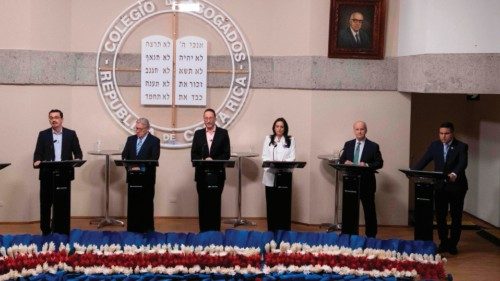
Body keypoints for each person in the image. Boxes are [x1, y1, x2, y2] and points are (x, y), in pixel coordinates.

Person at [412, 122, 468, 255]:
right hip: (440, 187)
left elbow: (463, 163)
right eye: (441, 133)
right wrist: (412, 171)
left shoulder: (461, 146)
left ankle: (453, 244)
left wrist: (454, 173)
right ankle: (443, 242)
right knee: (440, 216)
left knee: (456, 216)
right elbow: (423, 161)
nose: (443, 136)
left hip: (457, 187)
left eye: (446, 133)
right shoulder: (435, 145)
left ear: (452, 133)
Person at [33, 109, 83, 235]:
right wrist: (37, 160)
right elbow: (38, 152)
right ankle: (45, 230)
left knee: (62, 205)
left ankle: (61, 230)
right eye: (51, 117)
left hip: (64, 175)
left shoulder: (70, 134)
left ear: (61, 119)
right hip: (47, 175)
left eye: (56, 117)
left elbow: (78, 152)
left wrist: (77, 159)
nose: (53, 120)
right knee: (45, 204)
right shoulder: (43, 134)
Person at [339, 121, 383, 238]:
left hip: (367, 183)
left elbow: (379, 163)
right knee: (350, 211)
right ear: (354, 131)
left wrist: (367, 165)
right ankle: (349, 234)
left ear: (366, 130)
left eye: (362, 129)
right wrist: (345, 162)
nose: (359, 131)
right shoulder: (348, 144)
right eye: (357, 129)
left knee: (369, 212)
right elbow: (341, 159)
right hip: (351, 183)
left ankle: (371, 237)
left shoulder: (373, 146)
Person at [191, 108, 231, 232]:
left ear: (215, 119)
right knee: (203, 203)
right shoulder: (198, 134)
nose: (208, 120)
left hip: (217, 175)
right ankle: (203, 231)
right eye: (206, 118)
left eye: (210, 118)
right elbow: (193, 155)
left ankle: (215, 232)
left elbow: (226, 154)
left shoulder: (223, 133)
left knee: (215, 203)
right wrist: (204, 159)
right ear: (204, 119)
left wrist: (212, 159)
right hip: (202, 175)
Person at [121, 117, 160, 232]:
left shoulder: (154, 141)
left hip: (146, 180)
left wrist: (140, 167)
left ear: (147, 129)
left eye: (140, 129)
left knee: (146, 204)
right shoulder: (130, 139)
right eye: (136, 128)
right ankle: (132, 229)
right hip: (133, 178)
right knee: (133, 205)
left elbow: (154, 159)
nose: (137, 131)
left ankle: (147, 230)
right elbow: (124, 156)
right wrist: (131, 167)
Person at [261, 117, 296, 231]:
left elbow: (292, 157)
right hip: (271, 174)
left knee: (284, 204)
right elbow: (264, 156)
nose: (279, 129)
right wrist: (272, 166)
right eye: (277, 126)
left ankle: (284, 230)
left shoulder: (290, 139)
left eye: (282, 126)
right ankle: (272, 230)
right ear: (274, 127)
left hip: (284, 176)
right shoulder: (269, 139)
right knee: (272, 204)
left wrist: (282, 166)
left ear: (285, 128)